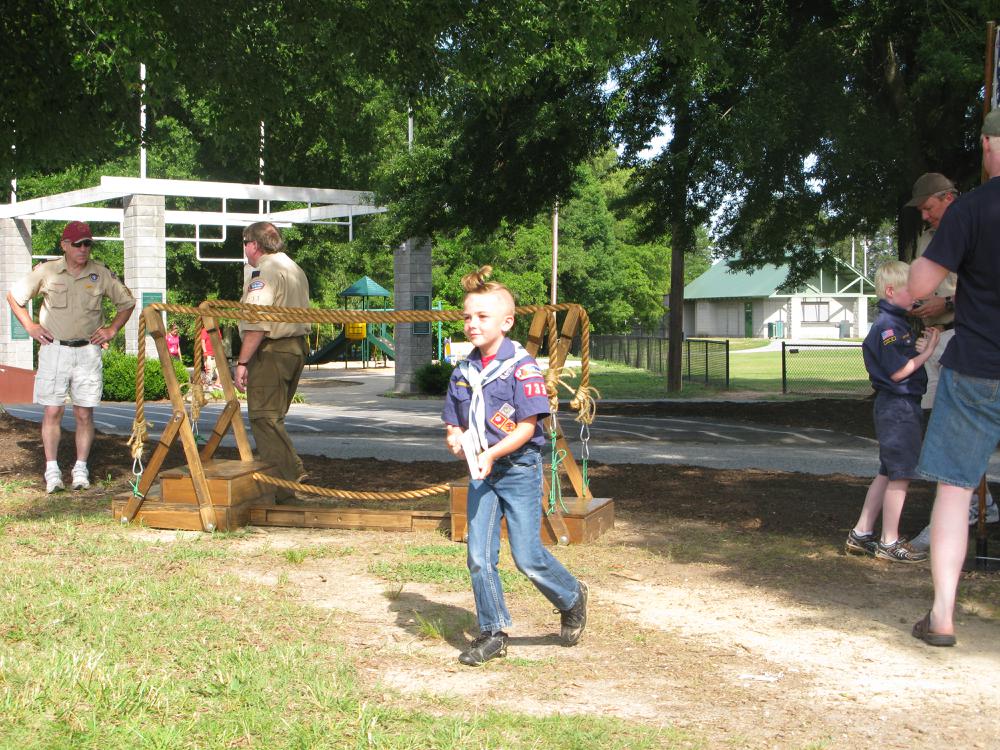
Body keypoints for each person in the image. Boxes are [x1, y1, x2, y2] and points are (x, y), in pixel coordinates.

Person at [442, 265, 588, 666]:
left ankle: (571, 595)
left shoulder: (521, 368)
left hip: (518, 467)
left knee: (527, 556)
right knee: (478, 555)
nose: (472, 324)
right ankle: (492, 632)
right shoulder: (464, 370)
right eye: (468, 317)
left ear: (506, 322)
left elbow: (526, 427)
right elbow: (454, 419)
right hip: (482, 471)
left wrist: (490, 454)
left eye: (482, 316)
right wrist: (455, 437)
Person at [907, 110, 1000, 646]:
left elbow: (921, 282)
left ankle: (942, 616)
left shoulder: (972, 209)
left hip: (978, 368)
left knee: (955, 489)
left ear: (988, 146)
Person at [6, 221, 135, 493]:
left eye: (87, 244)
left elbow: (127, 303)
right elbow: (14, 297)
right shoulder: (47, 271)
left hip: (88, 351)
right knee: (52, 410)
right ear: (64, 245)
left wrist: (112, 329)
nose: (83, 249)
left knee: (84, 413)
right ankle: (52, 470)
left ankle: (80, 469)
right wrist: (30, 327)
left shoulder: (100, 273)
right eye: (77, 244)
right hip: (55, 350)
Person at [905, 174, 998, 553]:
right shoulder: (930, 237)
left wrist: (945, 304)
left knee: (957, 442)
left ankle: (959, 513)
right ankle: (980, 501)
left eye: (928, 207)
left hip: (974, 346)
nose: (925, 216)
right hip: (942, 340)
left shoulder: (975, 218)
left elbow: (983, 287)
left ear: (947, 197)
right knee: (947, 436)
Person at [845, 261, 938, 564]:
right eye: (911, 290)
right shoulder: (888, 327)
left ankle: (861, 533)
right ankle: (889, 541)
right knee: (901, 475)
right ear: (890, 291)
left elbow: (900, 359)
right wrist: (928, 352)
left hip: (896, 406)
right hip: (899, 408)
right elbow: (898, 372)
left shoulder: (896, 324)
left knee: (887, 472)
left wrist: (917, 349)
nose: (917, 296)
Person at [232, 222, 311, 502]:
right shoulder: (293, 267)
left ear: (254, 244)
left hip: (273, 351)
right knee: (273, 418)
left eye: (245, 243)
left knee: (264, 418)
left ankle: (288, 482)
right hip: (294, 348)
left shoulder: (264, 272)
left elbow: (257, 324)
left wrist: (242, 362)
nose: (244, 249)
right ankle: (287, 482)